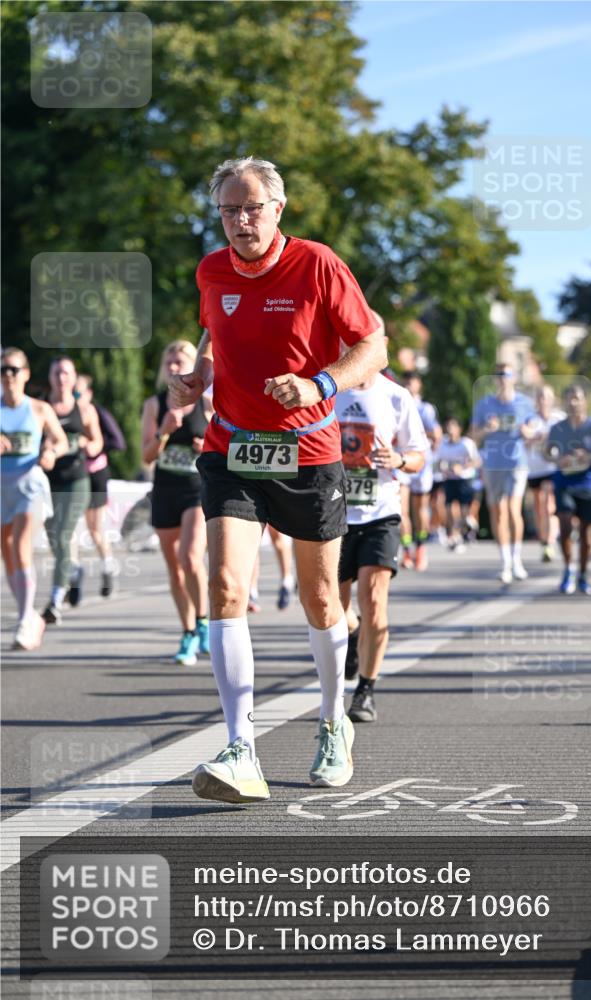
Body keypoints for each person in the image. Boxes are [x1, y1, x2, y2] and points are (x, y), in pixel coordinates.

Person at [169, 156, 385, 803]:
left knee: (323, 602)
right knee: (226, 585)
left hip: (308, 452)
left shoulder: (317, 264)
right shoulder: (211, 270)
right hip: (231, 447)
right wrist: (201, 377)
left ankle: (331, 721)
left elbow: (371, 347)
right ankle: (241, 747)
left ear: (277, 209)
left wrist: (318, 384)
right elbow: (214, 334)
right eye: (229, 210)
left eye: (251, 208)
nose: (240, 220)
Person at [336, 365, 427, 722]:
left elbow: (419, 456)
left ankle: (365, 691)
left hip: (381, 514)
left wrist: (400, 459)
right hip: (334, 514)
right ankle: (353, 629)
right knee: (332, 608)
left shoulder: (396, 396)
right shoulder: (329, 390)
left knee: (374, 600)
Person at [142, 340, 212, 666]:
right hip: (166, 489)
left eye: (180, 360)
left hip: (196, 489)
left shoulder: (206, 401)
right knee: (175, 568)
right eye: (168, 360)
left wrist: (206, 444)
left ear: (193, 365)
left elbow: (225, 442)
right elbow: (146, 455)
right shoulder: (155, 405)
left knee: (190, 556)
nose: (173, 365)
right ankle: (187, 632)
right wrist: (164, 433)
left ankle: (202, 621)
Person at [1, 348, 67, 649]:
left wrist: (51, 451)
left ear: (26, 374)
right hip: (3, 487)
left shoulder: (39, 409)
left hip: (31, 485)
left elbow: (60, 440)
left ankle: (26, 619)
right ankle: (29, 617)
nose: (8, 376)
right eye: (3, 370)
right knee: (8, 550)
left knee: (20, 543)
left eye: (14, 370)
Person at [42, 357, 103, 624]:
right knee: (53, 536)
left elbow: (97, 439)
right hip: (47, 480)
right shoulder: (41, 408)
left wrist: (92, 446)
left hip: (77, 479)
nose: (61, 377)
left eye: (66, 372)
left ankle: (55, 599)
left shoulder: (84, 410)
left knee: (64, 533)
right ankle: (74, 570)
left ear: (73, 377)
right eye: (57, 372)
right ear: (50, 376)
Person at [546, 384, 591, 595]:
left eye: (577, 398)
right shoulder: (557, 428)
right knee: (565, 524)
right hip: (564, 483)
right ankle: (568, 569)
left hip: (589, 484)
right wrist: (558, 459)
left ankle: (583, 574)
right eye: (569, 398)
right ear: (564, 402)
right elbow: (547, 454)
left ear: (585, 401)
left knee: (587, 534)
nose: (573, 402)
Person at [471, 364, 535, 583]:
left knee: (512, 508)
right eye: (498, 375)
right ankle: (505, 561)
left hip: (516, 462)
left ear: (513, 377)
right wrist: (487, 429)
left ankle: (517, 559)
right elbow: (473, 435)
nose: (502, 379)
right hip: (492, 463)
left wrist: (527, 432)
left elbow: (533, 430)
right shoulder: (485, 404)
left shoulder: (525, 403)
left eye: (506, 375)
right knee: (498, 511)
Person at [68, 374, 126, 601]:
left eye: (77, 393)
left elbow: (117, 442)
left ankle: (108, 568)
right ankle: (73, 575)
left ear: (88, 394)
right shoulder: (60, 411)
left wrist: (90, 446)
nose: (73, 397)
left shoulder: (95, 412)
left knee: (94, 529)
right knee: (69, 529)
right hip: (72, 475)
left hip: (95, 474)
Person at [402, 372, 441, 571]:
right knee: (402, 509)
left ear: (419, 385)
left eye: (412, 382)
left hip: (422, 463)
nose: (408, 385)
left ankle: (421, 548)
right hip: (402, 461)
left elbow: (436, 434)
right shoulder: (397, 403)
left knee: (420, 509)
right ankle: (406, 549)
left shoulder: (425, 409)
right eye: (406, 382)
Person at [525, 385, 564, 562]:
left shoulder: (559, 418)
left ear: (552, 399)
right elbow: (524, 440)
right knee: (539, 507)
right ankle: (544, 540)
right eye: (540, 396)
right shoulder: (531, 419)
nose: (543, 400)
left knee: (549, 503)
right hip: (535, 468)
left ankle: (550, 540)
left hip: (553, 468)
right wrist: (535, 437)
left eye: (546, 397)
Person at [433, 417, 481, 552]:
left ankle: (465, 528)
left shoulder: (467, 443)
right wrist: (443, 469)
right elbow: (437, 463)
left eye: (453, 426)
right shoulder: (443, 444)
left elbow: (477, 461)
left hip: (464, 480)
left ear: (459, 429)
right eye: (448, 426)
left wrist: (462, 467)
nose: (450, 430)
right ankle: (454, 536)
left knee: (464, 511)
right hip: (449, 480)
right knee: (449, 509)